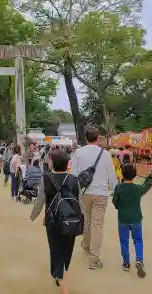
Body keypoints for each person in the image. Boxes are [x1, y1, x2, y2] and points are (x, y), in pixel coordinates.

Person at [30, 149, 80, 294]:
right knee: (67, 246)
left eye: (50, 159)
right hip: (71, 219)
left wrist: (33, 215)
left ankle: (60, 275)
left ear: (53, 162)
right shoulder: (74, 179)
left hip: (53, 220)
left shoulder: (46, 178)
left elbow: (40, 200)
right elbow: (79, 199)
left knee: (55, 247)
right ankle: (61, 269)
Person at [70, 126, 117, 269]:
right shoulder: (106, 154)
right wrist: (115, 190)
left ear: (85, 138)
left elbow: (73, 174)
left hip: (84, 192)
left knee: (86, 221)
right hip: (101, 193)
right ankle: (94, 258)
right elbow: (112, 176)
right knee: (97, 225)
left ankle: (86, 244)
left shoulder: (78, 152)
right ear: (98, 138)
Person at [112, 163, 152, 277]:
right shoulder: (138, 189)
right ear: (134, 175)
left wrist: (119, 206)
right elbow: (147, 185)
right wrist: (149, 175)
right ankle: (139, 260)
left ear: (123, 174)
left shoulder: (119, 188)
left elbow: (115, 202)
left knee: (124, 241)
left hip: (123, 219)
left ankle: (126, 263)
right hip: (136, 219)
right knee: (138, 240)